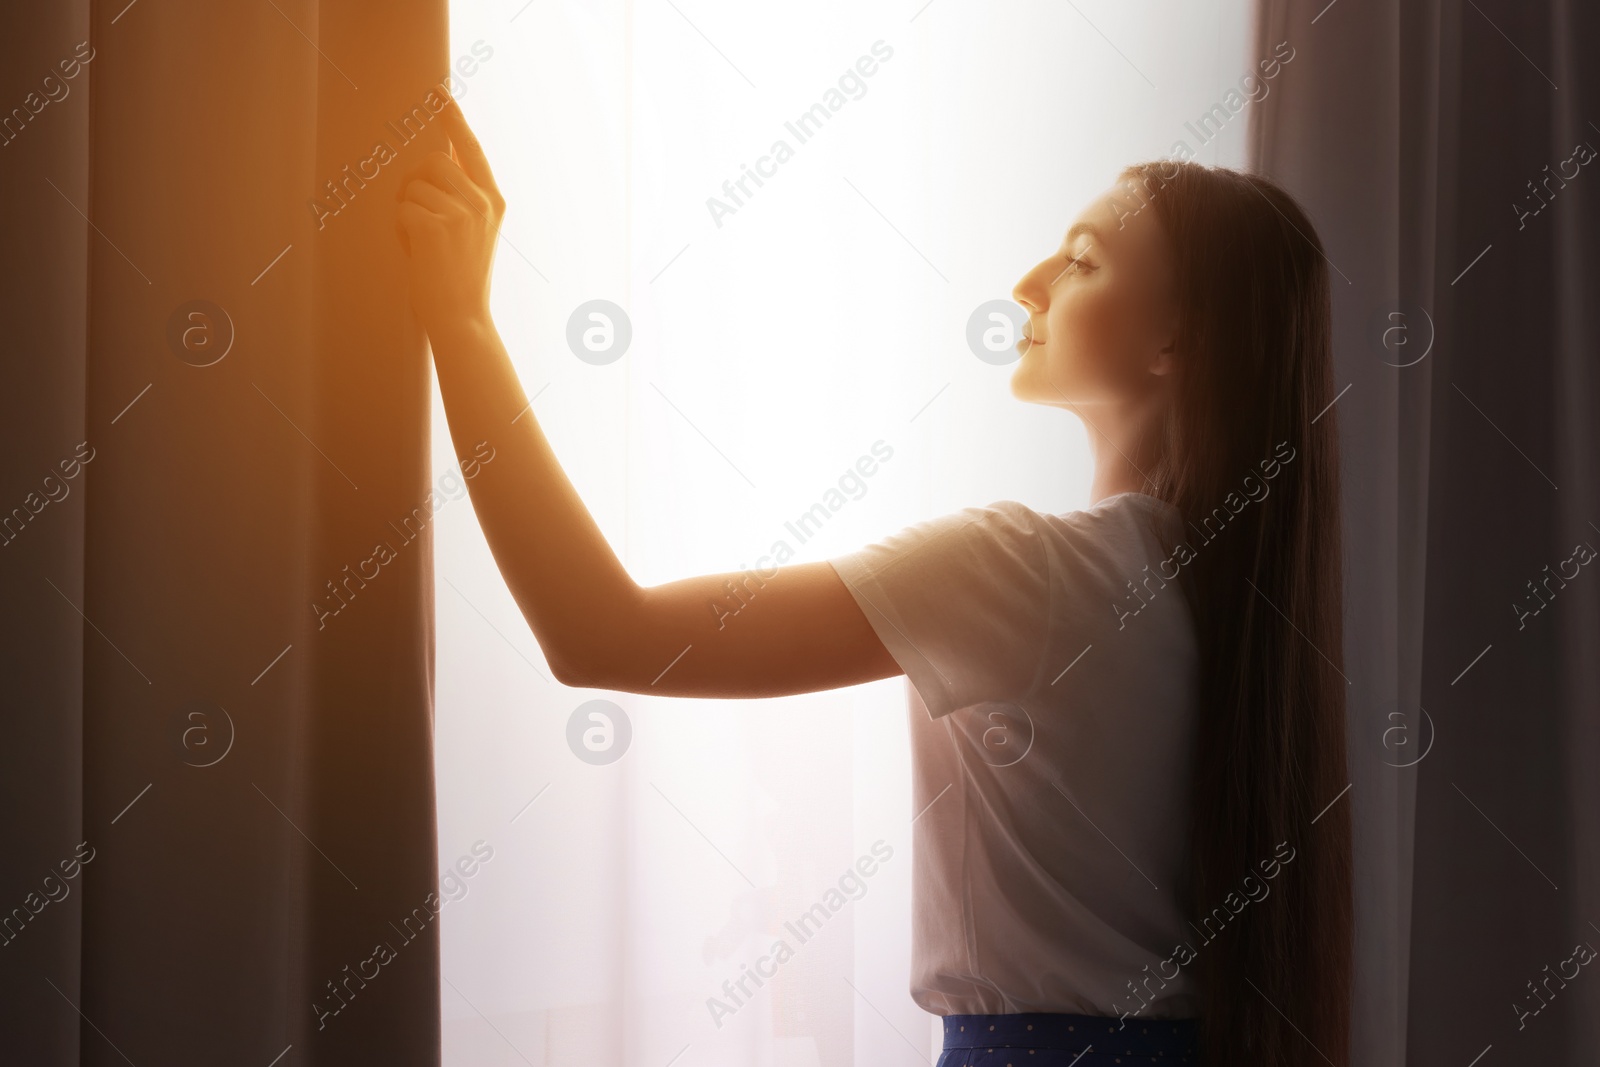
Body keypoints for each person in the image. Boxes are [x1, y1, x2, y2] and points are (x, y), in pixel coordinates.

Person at [396, 97, 1353, 1067]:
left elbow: (603, 632)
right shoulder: (1235, 599)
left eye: (1080, 261)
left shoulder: (1028, 571)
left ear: (1173, 341)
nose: (1026, 284)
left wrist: (464, 320)